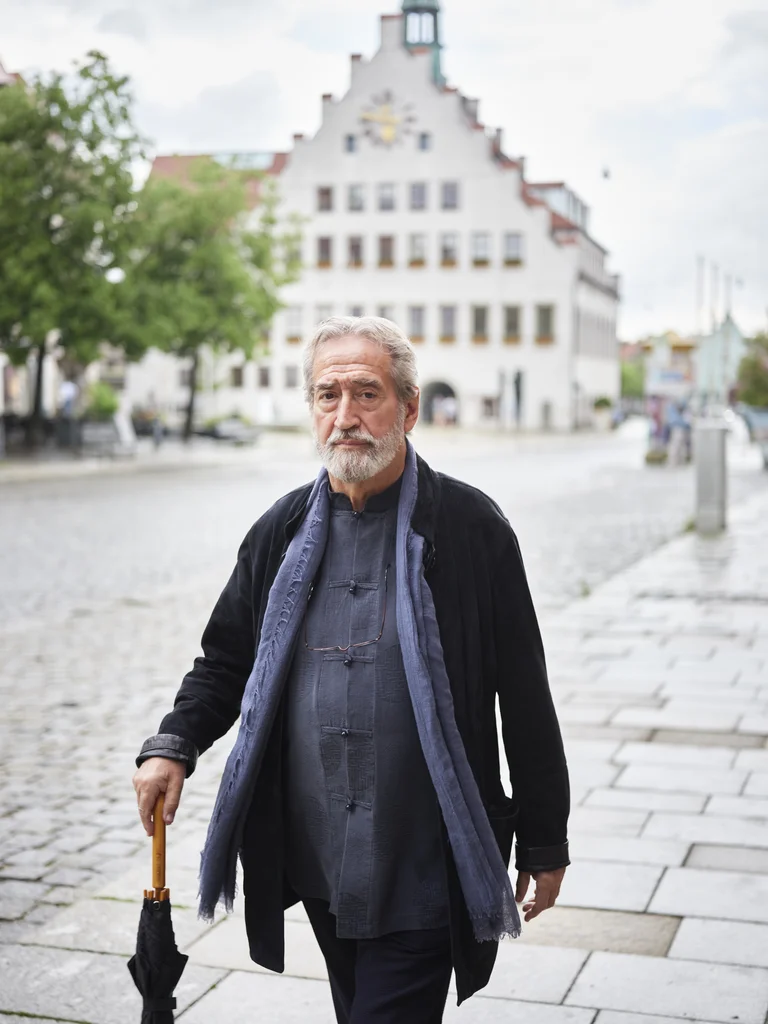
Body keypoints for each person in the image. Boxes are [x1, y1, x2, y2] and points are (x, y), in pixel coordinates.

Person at [133, 316, 570, 1023]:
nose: (346, 416)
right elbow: (226, 660)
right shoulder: (279, 531)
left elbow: (524, 693)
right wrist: (171, 744)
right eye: (327, 395)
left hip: (426, 854)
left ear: (409, 408)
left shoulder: (471, 529)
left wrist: (545, 836)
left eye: (367, 393)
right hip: (319, 857)